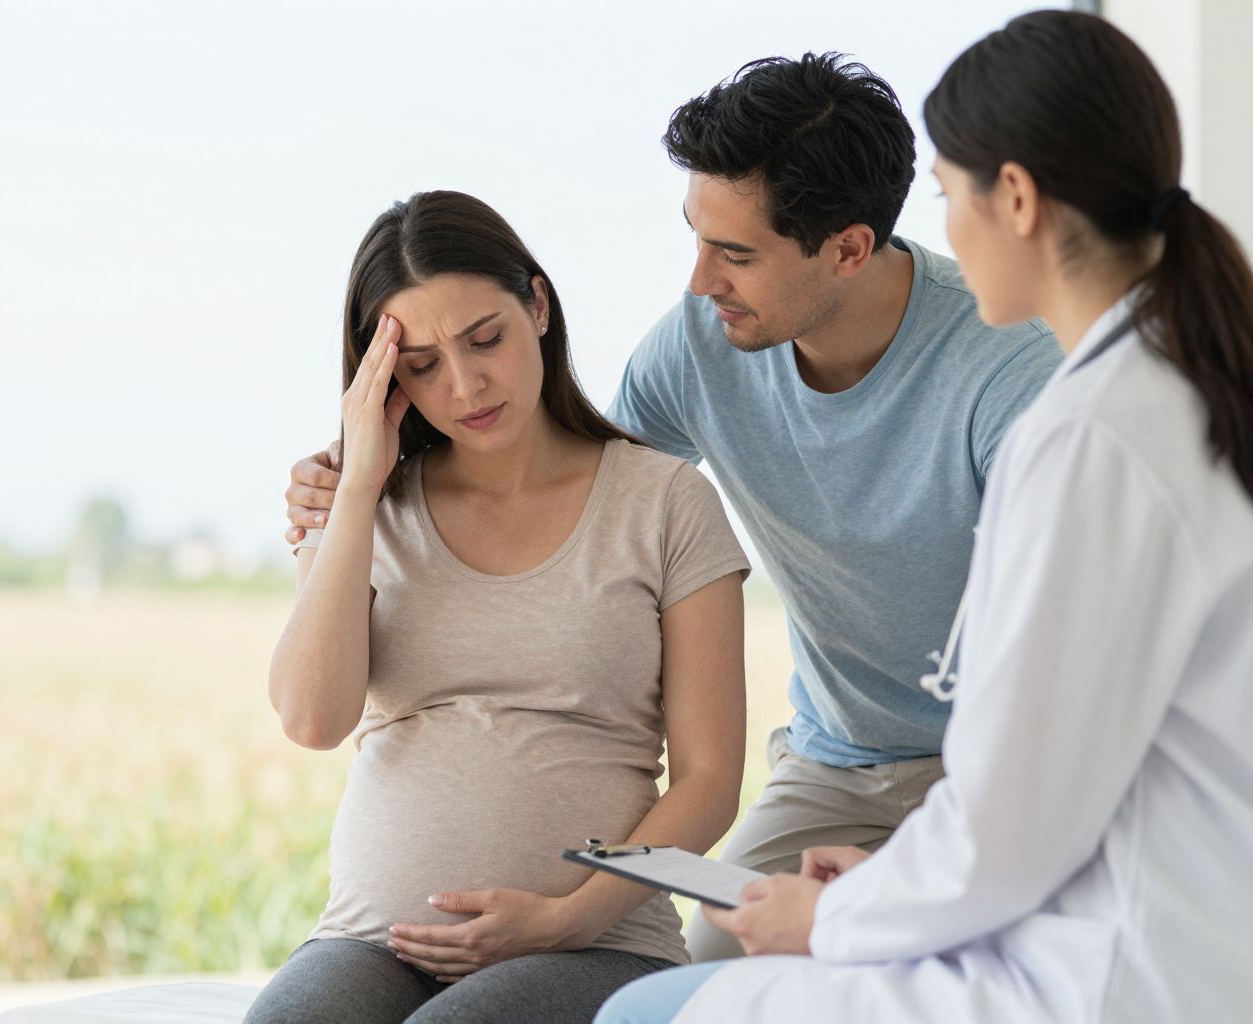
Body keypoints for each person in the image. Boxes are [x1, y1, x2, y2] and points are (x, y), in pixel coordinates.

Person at [282, 53, 1063, 962]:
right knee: (710, 986)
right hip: (835, 760)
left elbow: (1076, 647)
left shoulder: (1008, 376)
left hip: (1008, 767)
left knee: (989, 974)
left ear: (848, 248)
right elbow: (596, 503)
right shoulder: (701, 346)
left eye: (735, 255)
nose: (700, 282)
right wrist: (349, 496)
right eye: (696, 239)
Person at [596, 10, 1253, 1022]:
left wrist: (842, 918)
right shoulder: (1162, 385)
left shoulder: (1075, 429)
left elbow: (1014, 816)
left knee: (643, 1013)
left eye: (949, 197)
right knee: (711, 957)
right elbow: (588, 486)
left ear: (1018, 200)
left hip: (1121, 947)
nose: (700, 282)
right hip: (1079, 873)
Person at [247, 190, 751, 1024]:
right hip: (373, 941)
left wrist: (566, 917)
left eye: (486, 340)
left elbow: (709, 783)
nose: (466, 383)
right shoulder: (364, 506)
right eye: (422, 366)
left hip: (597, 946)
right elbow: (312, 718)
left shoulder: (665, 502)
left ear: (539, 306)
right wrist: (361, 489)